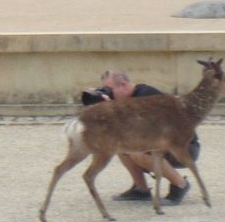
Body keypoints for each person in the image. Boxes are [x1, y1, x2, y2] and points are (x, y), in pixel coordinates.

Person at [81, 69, 195, 204]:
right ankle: (141, 189)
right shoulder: (124, 101)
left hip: (186, 146)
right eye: (105, 89)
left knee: (138, 153)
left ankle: (180, 185)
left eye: (110, 89)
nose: (108, 93)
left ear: (123, 84)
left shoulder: (146, 96)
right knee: (119, 147)